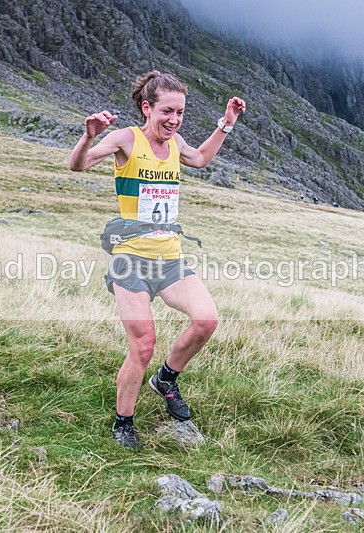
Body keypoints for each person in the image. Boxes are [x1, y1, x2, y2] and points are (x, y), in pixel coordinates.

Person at [69, 70, 246, 450]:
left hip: (169, 260)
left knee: (206, 320)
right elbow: (78, 165)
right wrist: (89, 135)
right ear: (147, 108)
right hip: (130, 262)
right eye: (168, 111)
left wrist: (225, 125)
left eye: (180, 113)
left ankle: (166, 378)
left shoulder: (177, 142)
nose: (174, 120)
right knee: (143, 345)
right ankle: (124, 422)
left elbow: (198, 158)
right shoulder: (125, 140)